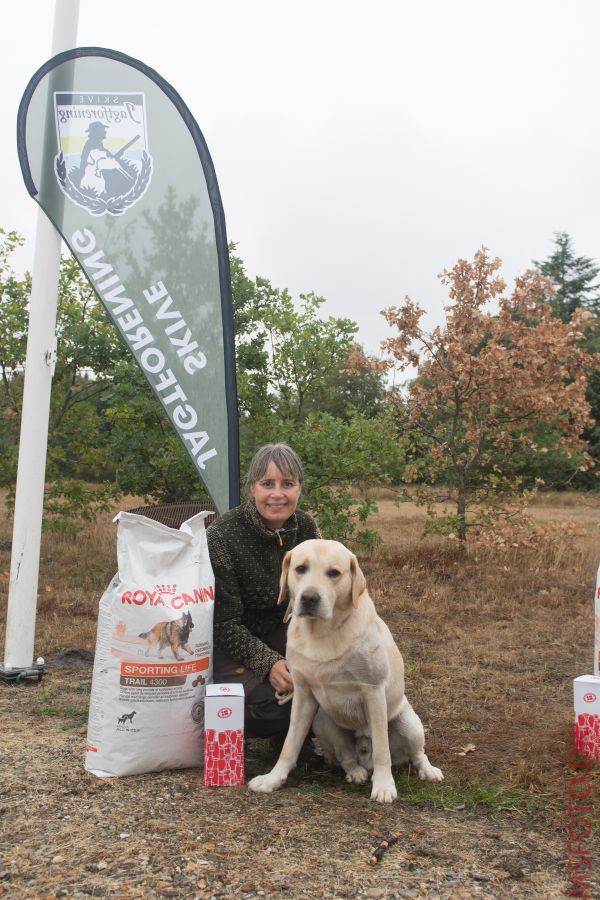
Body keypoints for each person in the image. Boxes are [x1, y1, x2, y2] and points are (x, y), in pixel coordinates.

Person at [206, 443, 320, 739]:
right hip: (235, 649)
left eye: (288, 484)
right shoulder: (222, 536)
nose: (277, 494)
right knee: (277, 709)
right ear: (252, 488)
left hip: (290, 637)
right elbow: (223, 625)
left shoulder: (307, 528)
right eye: (267, 484)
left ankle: (312, 736)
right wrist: (269, 664)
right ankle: (224, 721)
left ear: (299, 488)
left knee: (331, 688)